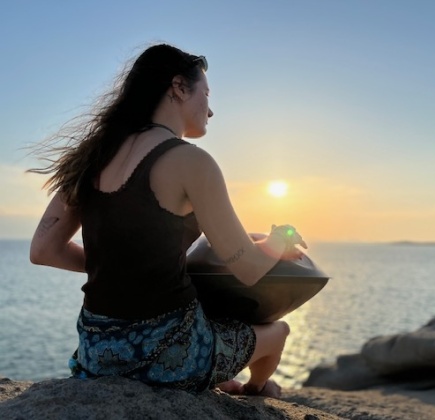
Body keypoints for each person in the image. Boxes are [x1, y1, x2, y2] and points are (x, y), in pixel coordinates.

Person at [28, 43, 307, 398]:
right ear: (178, 87)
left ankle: (225, 381)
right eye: (206, 94)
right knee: (278, 331)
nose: (211, 110)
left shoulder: (93, 156)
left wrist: (119, 267)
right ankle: (255, 391)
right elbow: (249, 268)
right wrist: (279, 240)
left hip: (96, 353)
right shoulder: (192, 162)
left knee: (207, 314)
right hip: (170, 357)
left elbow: (43, 251)